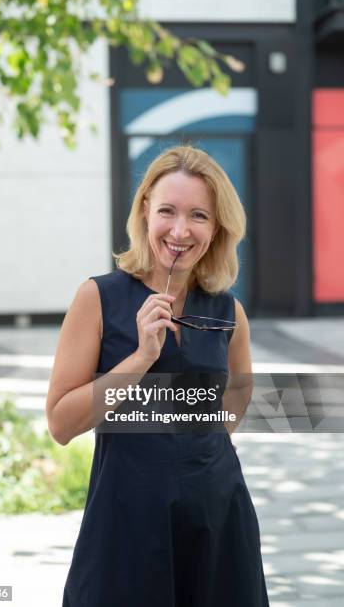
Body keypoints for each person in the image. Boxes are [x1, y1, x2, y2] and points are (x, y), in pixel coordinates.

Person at [46, 145, 269, 606]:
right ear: (145, 209)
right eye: (167, 210)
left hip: (218, 521)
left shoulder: (230, 313)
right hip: (126, 522)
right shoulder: (98, 298)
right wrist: (139, 360)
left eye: (199, 216)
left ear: (217, 227)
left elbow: (234, 404)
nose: (180, 230)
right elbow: (61, 424)